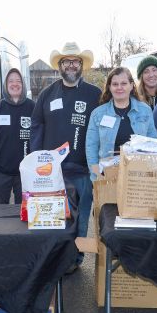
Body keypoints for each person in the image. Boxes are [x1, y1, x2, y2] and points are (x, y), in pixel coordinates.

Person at [30, 42, 101, 272]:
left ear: (81, 65)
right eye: (67, 62)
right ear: (60, 66)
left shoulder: (94, 94)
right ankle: (56, 258)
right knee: (56, 217)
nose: (71, 65)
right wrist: (38, 157)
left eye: (75, 61)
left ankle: (75, 259)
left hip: (84, 169)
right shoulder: (47, 94)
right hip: (54, 171)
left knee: (81, 219)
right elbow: (37, 125)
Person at [86, 66, 157, 179]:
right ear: (109, 87)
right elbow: (91, 148)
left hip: (138, 175)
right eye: (115, 84)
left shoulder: (145, 110)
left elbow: (153, 142)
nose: (119, 87)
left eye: (124, 83)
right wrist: (96, 175)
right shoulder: (98, 114)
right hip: (107, 175)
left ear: (131, 85)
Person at [0, 68, 35, 204]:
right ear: (6, 85)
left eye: (18, 81)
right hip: (0, 171)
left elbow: (41, 136)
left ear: (23, 85)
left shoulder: (33, 108)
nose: (15, 84)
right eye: (11, 81)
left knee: (24, 213)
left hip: (26, 172)